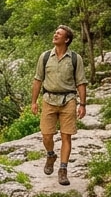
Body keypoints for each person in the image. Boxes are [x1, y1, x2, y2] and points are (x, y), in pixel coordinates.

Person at [30, 25, 87, 186]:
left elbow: (81, 82)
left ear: (66, 39)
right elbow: (37, 80)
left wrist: (82, 104)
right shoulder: (45, 56)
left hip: (68, 100)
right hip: (48, 99)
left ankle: (63, 170)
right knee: (46, 135)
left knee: (66, 136)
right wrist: (33, 102)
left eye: (59, 34)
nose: (55, 35)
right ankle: (50, 155)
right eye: (55, 32)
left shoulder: (75, 59)